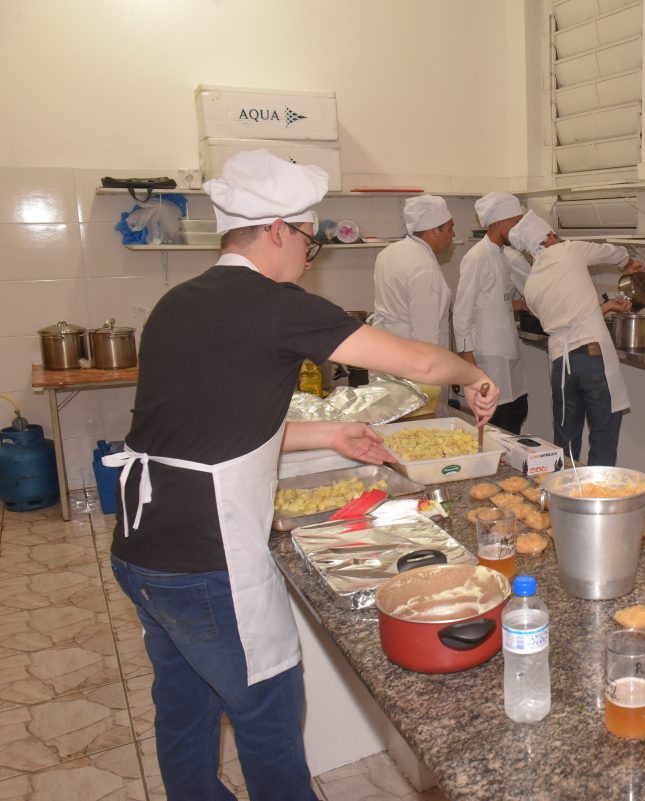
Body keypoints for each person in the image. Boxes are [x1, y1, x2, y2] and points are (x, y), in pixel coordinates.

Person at [105, 151, 497, 801]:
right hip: (209, 557)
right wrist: (473, 375)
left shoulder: (178, 303)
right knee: (268, 714)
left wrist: (329, 433)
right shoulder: (275, 305)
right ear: (279, 229)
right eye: (310, 247)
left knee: (185, 706)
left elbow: (206, 430)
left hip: (141, 544)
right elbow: (421, 364)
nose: (307, 264)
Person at [507, 211, 645, 466]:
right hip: (593, 358)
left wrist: (606, 307)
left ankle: (565, 496)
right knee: (603, 436)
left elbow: (566, 318)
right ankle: (597, 499)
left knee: (566, 438)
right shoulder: (568, 251)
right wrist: (628, 263)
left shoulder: (531, 286)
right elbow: (609, 252)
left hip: (561, 364)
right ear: (549, 235)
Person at [453, 192, 529, 433]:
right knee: (498, 421)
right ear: (499, 223)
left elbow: (496, 300)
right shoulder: (477, 257)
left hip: (508, 349)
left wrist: (518, 305)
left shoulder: (503, 256)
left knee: (517, 410)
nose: (519, 229)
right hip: (488, 354)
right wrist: (468, 359)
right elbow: (461, 311)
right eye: (516, 223)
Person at [372, 194, 456, 347]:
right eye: (450, 229)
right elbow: (426, 332)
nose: (453, 235)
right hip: (413, 356)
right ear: (433, 232)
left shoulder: (388, 252)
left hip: (385, 347)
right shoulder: (424, 267)